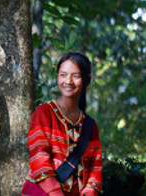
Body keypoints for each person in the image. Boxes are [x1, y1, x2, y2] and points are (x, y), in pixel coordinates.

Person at [22, 51, 102, 196]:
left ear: (87, 81)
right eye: (63, 75)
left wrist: (91, 188)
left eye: (76, 76)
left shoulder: (90, 125)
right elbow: (39, 159)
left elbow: (95, 165)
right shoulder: (45, 113)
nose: (68, 81)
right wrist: (54, 191)